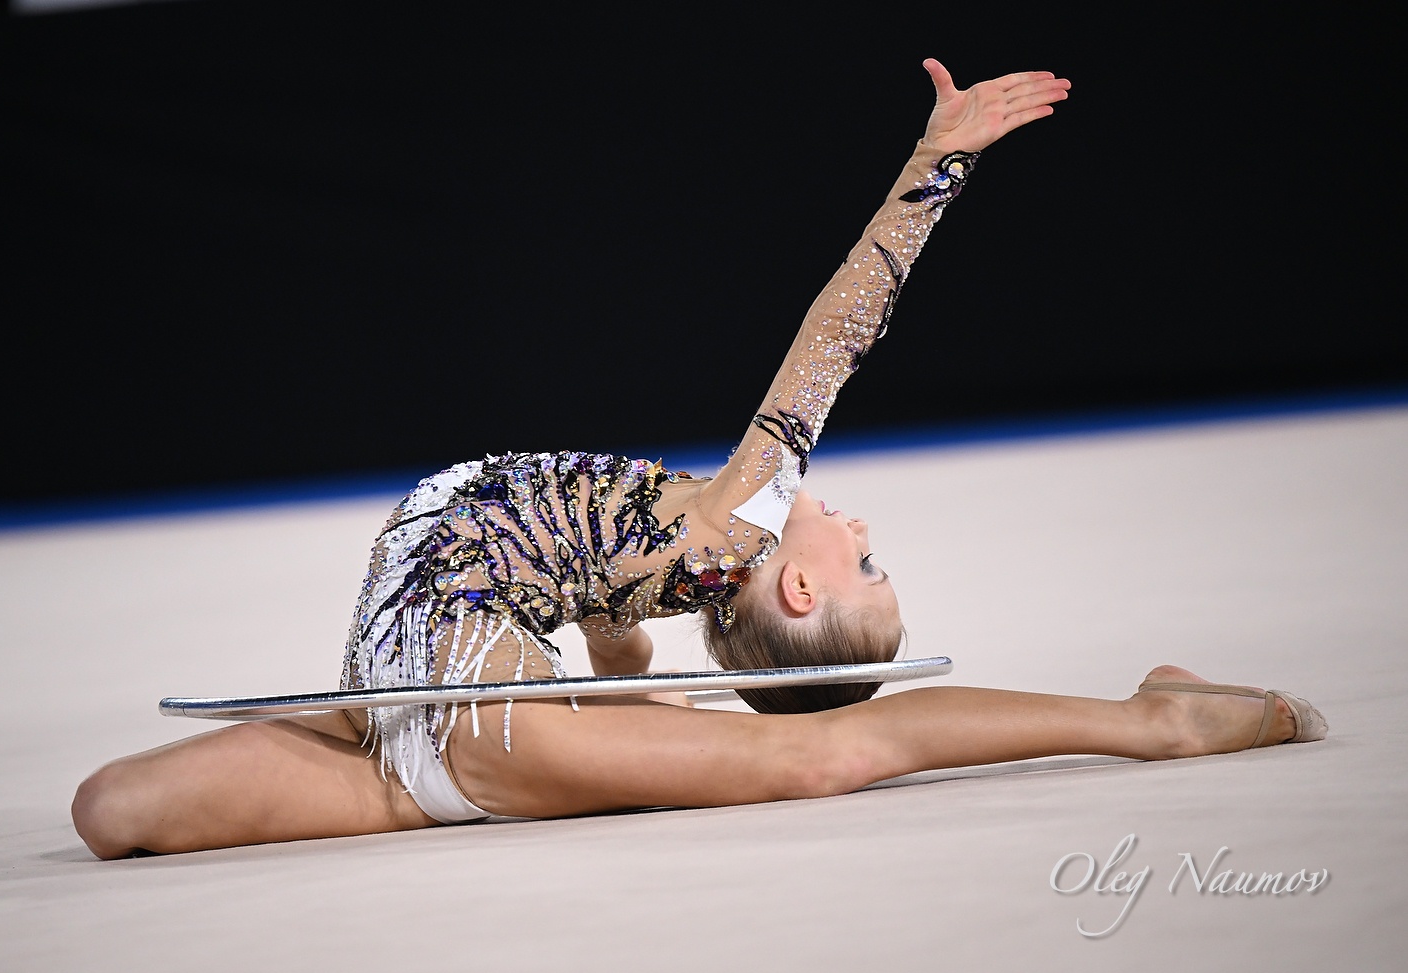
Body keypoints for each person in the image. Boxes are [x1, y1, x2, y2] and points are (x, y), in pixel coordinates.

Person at [70, 60, 1325, 860]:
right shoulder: (686, 567)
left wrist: (934, 163)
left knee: (817, 757)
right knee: (108, 810)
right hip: (424, 731)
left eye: (865, 562)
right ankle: (517, 781)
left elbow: (842, 328)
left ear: (796, 588)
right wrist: (630, 690)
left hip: (471, 702)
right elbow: (607, 622)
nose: (860, 524)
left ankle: (1153, 721)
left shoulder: (738, 514)